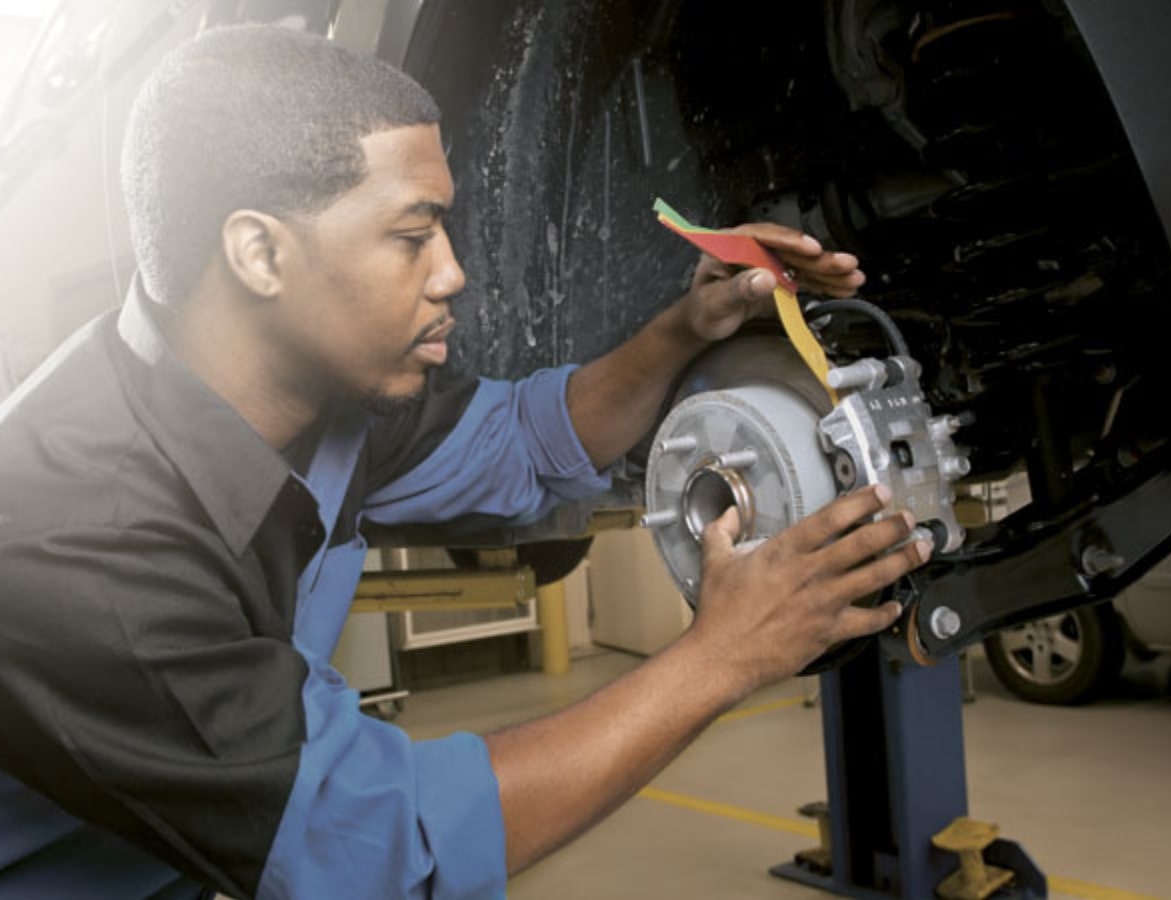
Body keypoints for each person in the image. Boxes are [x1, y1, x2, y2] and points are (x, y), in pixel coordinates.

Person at [0, 24, 930, 900]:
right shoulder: (74, 542)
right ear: (259, 253)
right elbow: (379, 850)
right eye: (412, 236)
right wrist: (723, 656)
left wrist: (686, 327)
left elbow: (527, 439)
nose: (452, 273)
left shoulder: (327, 400)